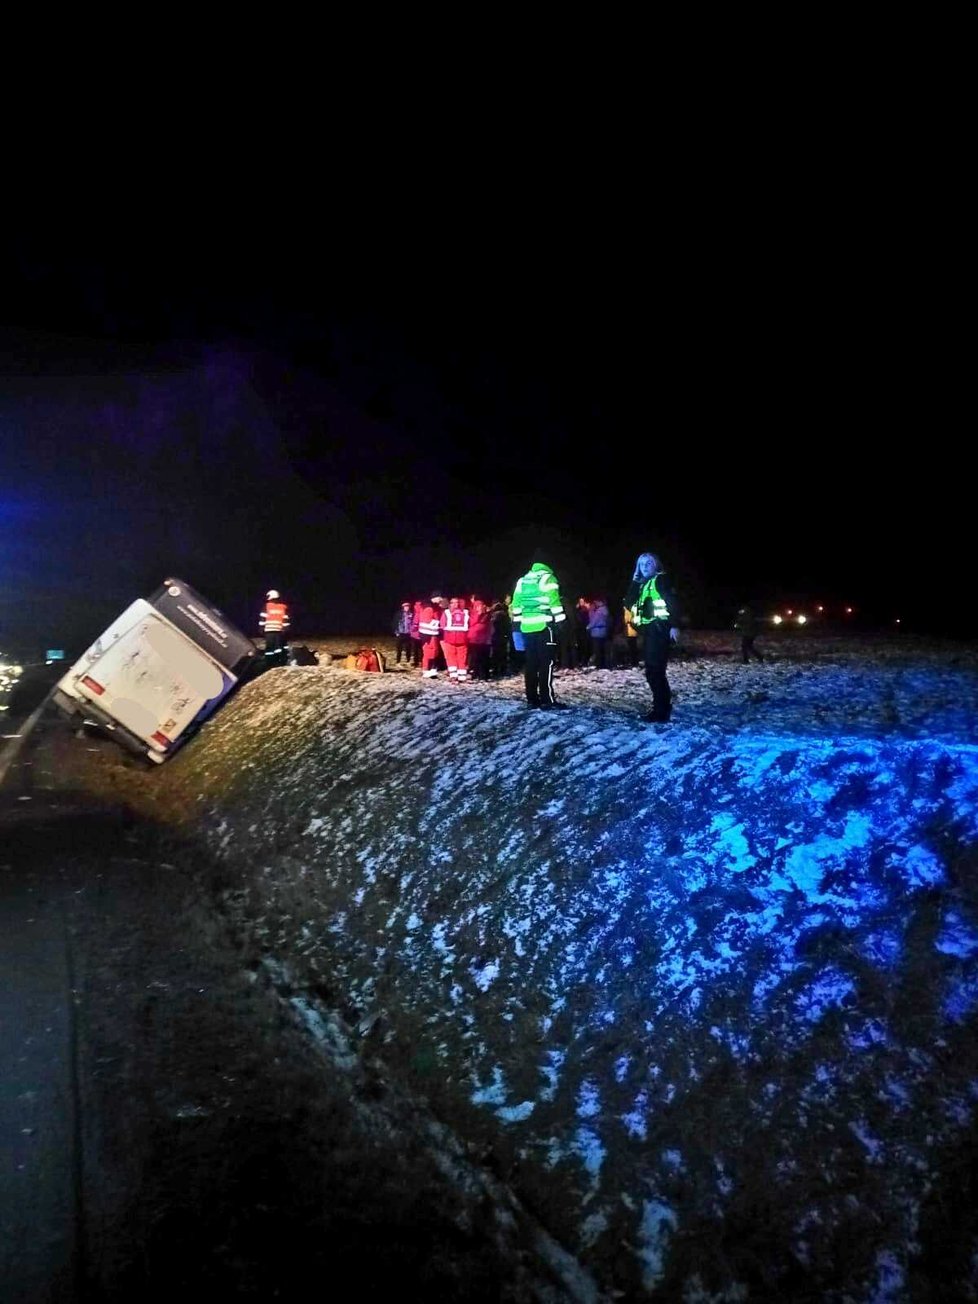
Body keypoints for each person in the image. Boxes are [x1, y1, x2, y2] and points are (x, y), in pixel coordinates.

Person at [623, 553, 679, 722]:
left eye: (649, 563)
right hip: (649, 631)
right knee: (652, 671)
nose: (645, 566)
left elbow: (672, 602)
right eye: (641, 564)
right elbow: (628, 603)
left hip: (659, 629)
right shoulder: (643, 584)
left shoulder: (661, 580)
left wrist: (675, 625)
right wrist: (634, 581)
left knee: (655, 671)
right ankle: (661, 707)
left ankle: (661, 710)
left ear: (657, 565)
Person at [510, 560, 567, 708]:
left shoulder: (522, 581)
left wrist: (517, 624)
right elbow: (554, 601)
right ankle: (547, 700)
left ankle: (531, 699)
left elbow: (516, 605)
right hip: (544, 627)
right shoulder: (548, 578)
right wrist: (561, 621)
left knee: (531, 664)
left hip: (527, 628)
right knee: (546, 664)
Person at [439, 596, 471, 683]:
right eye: (454, 602)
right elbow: (469, 624)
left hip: (452, 638)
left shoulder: (446, 613)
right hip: (461, 638)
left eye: (456, 602)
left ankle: (455, 676)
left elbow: (442, 625)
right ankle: (461, 676)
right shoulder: (466, 612)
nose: (455, 604)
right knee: (460, 658)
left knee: (453, 658)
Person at [259, 588, 291, 667]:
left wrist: (261, 628)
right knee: (278, 647)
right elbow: (285, 619)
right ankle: (279, 661)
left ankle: (269, 662)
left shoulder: (267, 606)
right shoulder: (282, 607)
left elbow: (263, 617)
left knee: (270, 648)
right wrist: (286, 629)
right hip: (279, 631)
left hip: (269, 631)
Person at [418, 594, 445, 678]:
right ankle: (427, 669)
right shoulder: (429, 608)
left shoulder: (429, 607)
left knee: (430, 651)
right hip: (429, 634)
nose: (441, 600)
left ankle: (428, 669)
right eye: (439, 598)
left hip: (428, 633)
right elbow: (427, 620)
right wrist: (439, 624)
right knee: (430, 651)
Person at [467, 596, 492, 681]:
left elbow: (487, 626)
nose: (479, 608)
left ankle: (484, 675)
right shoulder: (473, 614)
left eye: (480, 606)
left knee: (483, 658)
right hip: (474, 639)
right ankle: (475, 673)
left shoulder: (487, 615)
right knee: (475, 657)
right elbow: (472, 623)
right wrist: (478, 614)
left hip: (483, 640)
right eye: (477, 606)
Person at [587, 596, 611, 669]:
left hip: (597, 632)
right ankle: (604, 663)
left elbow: (594, 621)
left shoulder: (599, 611)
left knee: (597, 649)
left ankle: (599, 664)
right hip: (604, 631)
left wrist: (588, 627)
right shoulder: (606, 610)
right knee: (602, 649)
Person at [622, 602, 640, 668]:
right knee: (632, 647)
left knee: (632, 647)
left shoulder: (629, 610)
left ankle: (634, 662)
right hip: (631, 631)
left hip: (631, 631)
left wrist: (627, 621)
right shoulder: (630, 609)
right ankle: (633, 662)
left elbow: (627, 620)